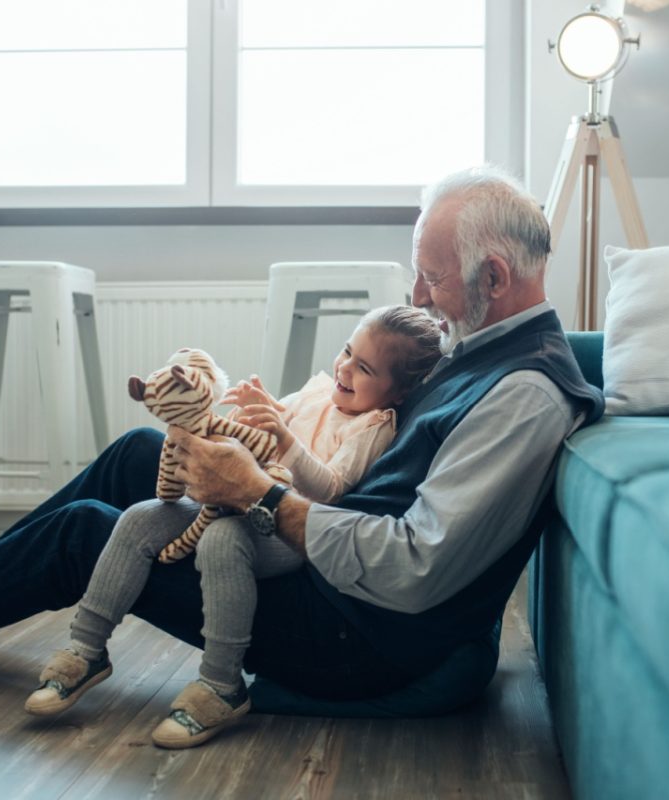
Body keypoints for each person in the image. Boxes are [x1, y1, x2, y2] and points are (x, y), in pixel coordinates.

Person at [0, 165, 604, 749]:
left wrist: (263, 498)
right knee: (143, 450)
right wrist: (269, 440)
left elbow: (416, 568)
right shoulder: (481, 345)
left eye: (430, 279)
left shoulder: (522, 395)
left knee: (89, 532)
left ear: (493, 276)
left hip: (360, 635)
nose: (418, 297)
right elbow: (367, 459)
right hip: (326, 567)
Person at [24, 305, 443, 749]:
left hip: (287, 527)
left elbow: (331, 489)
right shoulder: (322, 389)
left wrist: (283, 437)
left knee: (222, 541)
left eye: (364, 369)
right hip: (235, 498)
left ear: (397, 393)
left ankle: (221, 684)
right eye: (346, 352)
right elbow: (272, 426)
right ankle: (85, 650)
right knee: (139, 518)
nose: (345, 369)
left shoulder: (373, 425)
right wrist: (260, 410)